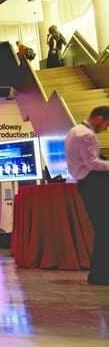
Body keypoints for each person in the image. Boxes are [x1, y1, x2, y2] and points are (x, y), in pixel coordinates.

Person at [65, 106, 109, 285]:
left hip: (86, 184)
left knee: (103, 229)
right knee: (105, 230)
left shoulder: (74, 131)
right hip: (94, 184)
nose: (106, 128)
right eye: (107, 124)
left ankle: (100, 274)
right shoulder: (87, 135)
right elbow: (92, 164)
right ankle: (100, 275)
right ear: (99, 118)